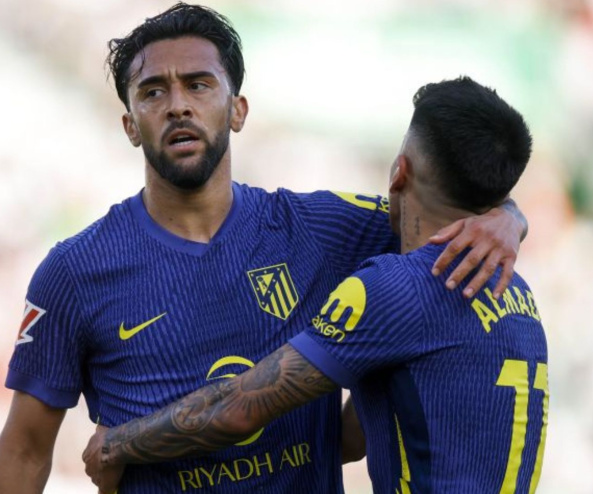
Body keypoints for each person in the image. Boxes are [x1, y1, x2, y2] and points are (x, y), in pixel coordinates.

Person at [0, 3, 528, 493]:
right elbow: (25, 449)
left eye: (198, 84)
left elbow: (434, 203)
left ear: (238, 110)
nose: (177, 105)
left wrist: (507, 216)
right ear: (130, 125)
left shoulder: (323, 227)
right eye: (154, 91)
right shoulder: (74, 272)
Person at [83, 76, 548, 494]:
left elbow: (239, 409)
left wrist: (117, 445)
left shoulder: (394, 288)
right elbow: (352, 438)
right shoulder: (517, 291)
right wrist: (512, 215)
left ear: (398, 172)